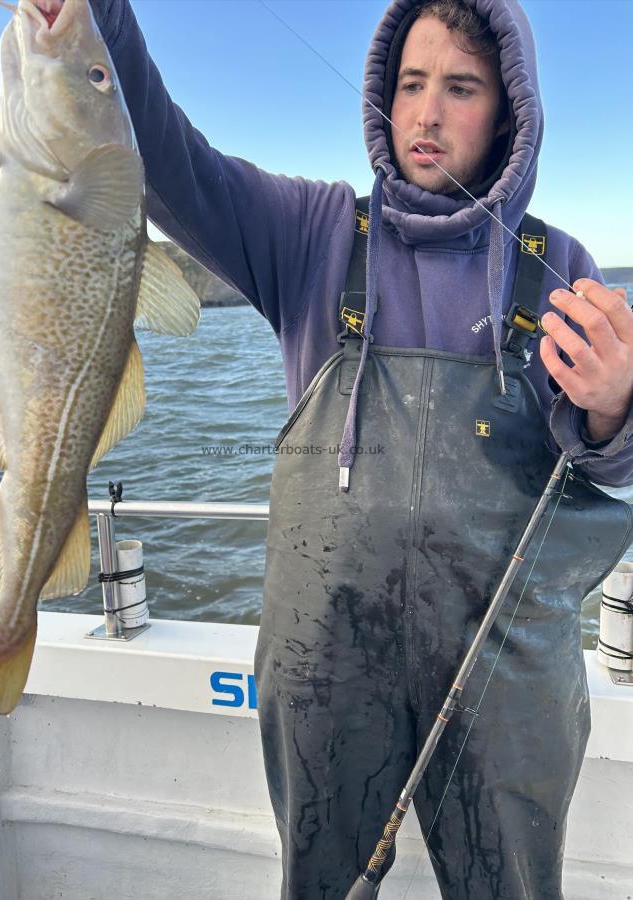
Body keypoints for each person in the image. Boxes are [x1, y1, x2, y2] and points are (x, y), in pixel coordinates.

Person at [89, 0, 632, 897]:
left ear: (509, 112)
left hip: (509, 668)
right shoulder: (310, 234)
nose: (425, 114)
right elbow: (169, 163)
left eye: (458, 88)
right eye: (409, 85)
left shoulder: (557, 265)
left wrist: (615, 407)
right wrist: (94, 17)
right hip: (325, 662)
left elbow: (603, 463)